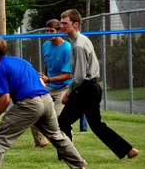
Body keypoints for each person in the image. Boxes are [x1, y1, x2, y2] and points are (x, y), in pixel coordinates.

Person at [0, 38, 88, 169]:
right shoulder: (20, 61)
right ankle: (80, 166)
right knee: (57, 135)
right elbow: (41, 81)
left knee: (0, 138)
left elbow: (4, 100)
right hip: (47, 100)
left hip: (29, 104)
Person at [58, 9, 139, 160]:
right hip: (90, 87)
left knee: (63, 122)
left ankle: (68, 157)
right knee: (95, 125)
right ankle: (128, 150)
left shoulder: (78, 45)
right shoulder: (79, 40)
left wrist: (68, 93)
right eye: (61, 23)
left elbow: (79, 76)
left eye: (65, 23)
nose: (61, 26)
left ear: (75, 24)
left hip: (85, 88)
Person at [30, 19, 72, 148]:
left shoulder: (68, 49)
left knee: (58, 119)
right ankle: (41, 142)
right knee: (32, 111)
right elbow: (47, 64)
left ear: (59, 31)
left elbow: (68, 75)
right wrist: (44, 80)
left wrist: (49, 79)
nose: (48, 33)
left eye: (51, 31)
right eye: (46, 31)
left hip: (64, 88)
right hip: (48, 86)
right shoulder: (46, 45)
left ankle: (67, 146)